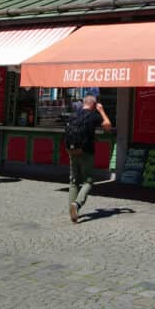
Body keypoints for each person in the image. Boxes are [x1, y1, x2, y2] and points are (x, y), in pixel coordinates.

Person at [66, 94, 111, 223]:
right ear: (93, 104)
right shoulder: (93, 115)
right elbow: (108, 126)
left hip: (72, 150)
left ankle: (72, 212)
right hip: (86, 151)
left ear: (83, 103)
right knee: (89, 180)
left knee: (73, 181)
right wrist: (101, 110)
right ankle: (77, 204)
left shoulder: (73, 115)